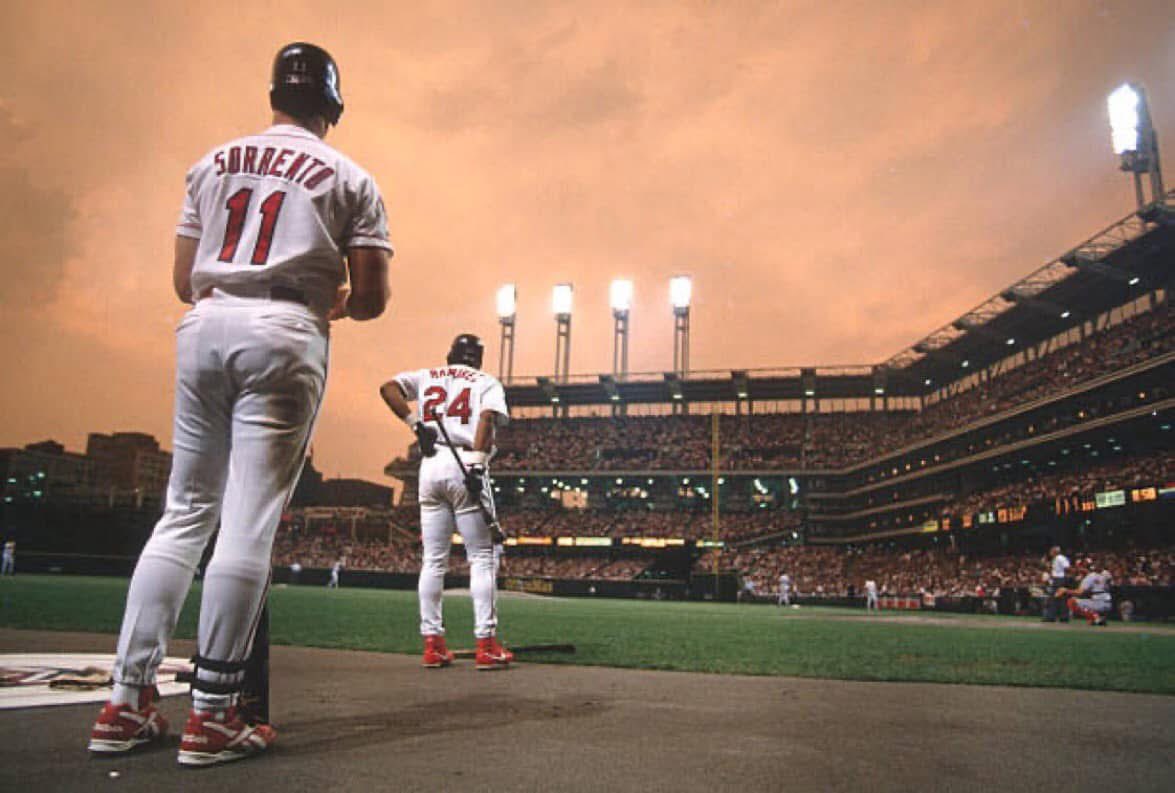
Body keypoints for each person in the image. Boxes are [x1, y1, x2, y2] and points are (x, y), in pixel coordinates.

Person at [87, 42, 391, 767]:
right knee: (247, 520)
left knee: (184, 510)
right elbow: (373, 297)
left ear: (272, 97)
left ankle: (125, 702)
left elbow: (182, 276)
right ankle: (214, 713)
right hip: (286, 328)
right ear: (334, 106)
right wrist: (337, 302)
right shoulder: (350, 175)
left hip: (206, 320)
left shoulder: (213, 160)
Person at [380, 334, 513, 670]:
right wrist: (479, 463)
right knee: (482, 557)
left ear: (450, 355)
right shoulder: (486, 380)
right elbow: (485, 419)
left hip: (431, 465)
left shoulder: (428, 375)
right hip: (466, 459)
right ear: (478, 359)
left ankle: (433, 644)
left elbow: (387, 388)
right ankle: (486, 644)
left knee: (433, 560)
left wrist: (414, 424)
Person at [1059, 562, 1113, 626]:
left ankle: (1096, 618)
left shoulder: (1090, 576)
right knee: (1089, 621)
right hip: (1108, 603)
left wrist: (1065, 590)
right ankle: (1097, 618)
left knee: (1071, 601)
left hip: (1098, 602)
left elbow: (1079, 592)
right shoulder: (1107, 573)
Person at [1042, 545, 1071, 623]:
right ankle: (1061, 617)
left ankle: (1054, 617)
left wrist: (1065, 578)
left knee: (1057, 598)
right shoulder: (1055, 559)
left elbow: (1067, 567)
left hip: (1060, 579)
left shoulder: (1060, 558)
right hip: (1056, 579)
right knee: (1056, 598)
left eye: (1051, 551)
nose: (1050, 552)